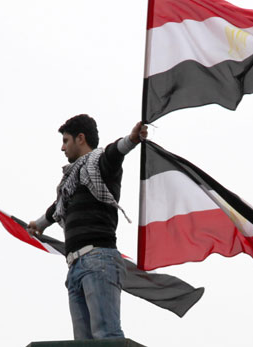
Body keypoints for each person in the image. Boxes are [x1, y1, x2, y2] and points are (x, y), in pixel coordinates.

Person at [27, 114, 148, 340]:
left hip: (98, 260)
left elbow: (114, 153)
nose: (62, 148)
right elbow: (59, 206)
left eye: (65, 140)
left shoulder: (99, 164)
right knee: (84, 343)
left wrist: (131, 140)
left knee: (106, 335)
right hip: (75, 267)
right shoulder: (71, 182)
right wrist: (40, 224)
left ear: (80, 138)